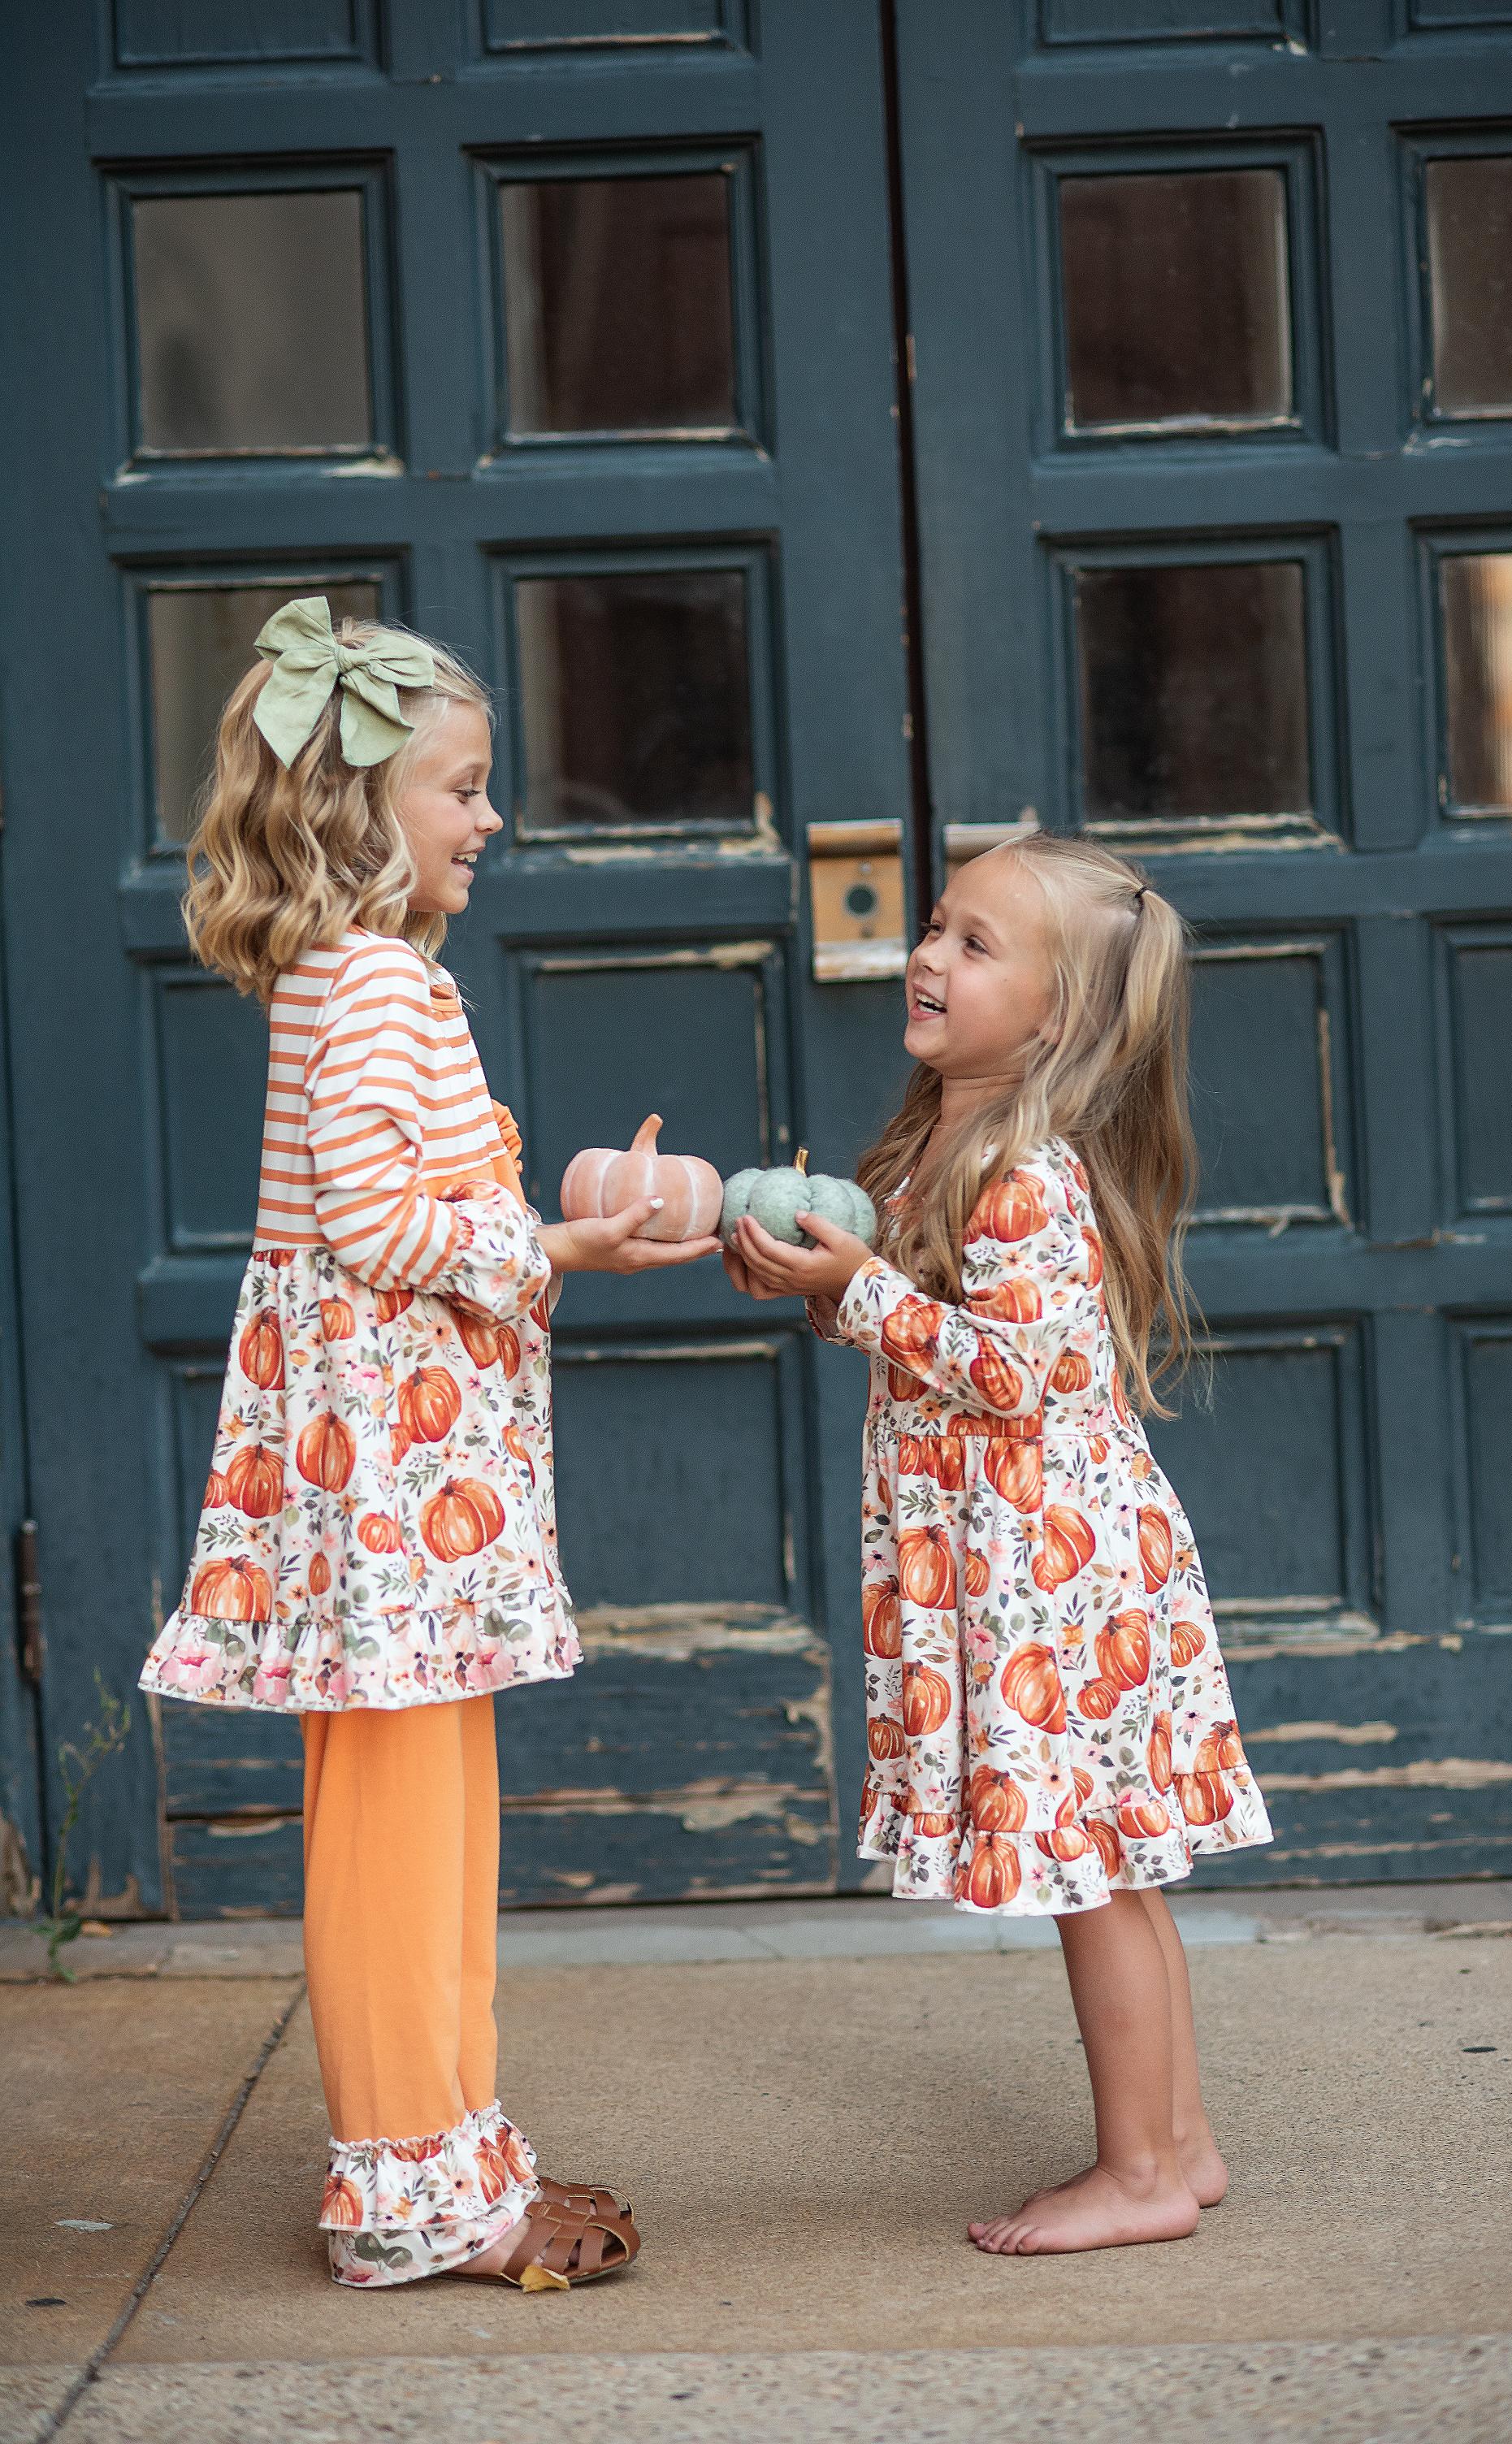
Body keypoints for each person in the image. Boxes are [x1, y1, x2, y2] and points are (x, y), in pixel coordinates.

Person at [140, 600, 717, 2290]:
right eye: (460, 789)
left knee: (427, 1815)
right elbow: (378, 1220)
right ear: (357, 808)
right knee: (405, 1833)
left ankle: (454, 2153)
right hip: (392, 1484)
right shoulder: (381, 980)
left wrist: (539, 1228)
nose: (488, 818)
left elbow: (368, 1205)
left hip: (391, 1473)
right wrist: (560, 1242)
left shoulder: (353, 975)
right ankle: (411, 2197)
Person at [725, 832, 1272, 2255]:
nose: (928, 955)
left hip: (1051, 1582)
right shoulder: (951, 1147)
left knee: (1093, 1880)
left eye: (976, 945)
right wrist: (827, 1280)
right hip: (1052, 1566)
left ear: (1058, 1016)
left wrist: (861, 1293)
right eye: (936, 925)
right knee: (1117, 1874)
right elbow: (941, 1342)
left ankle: (1139, 2177)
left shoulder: (1025, 1173)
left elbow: (1016, 1373)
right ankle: (1181, 2146)